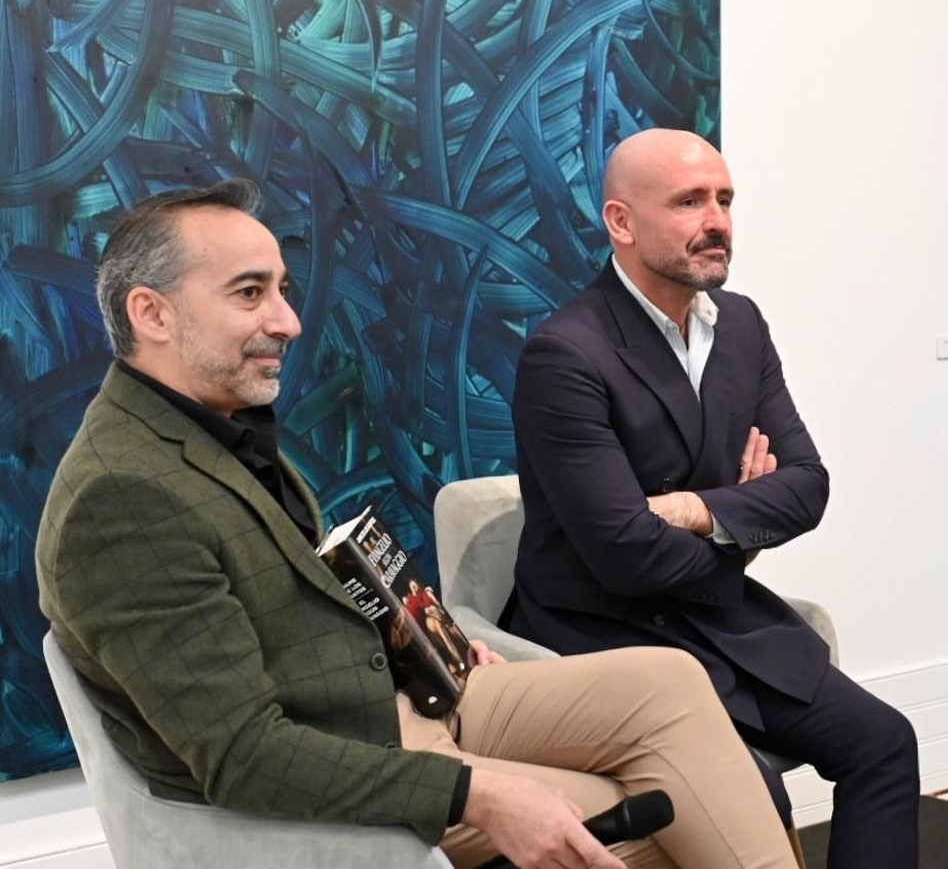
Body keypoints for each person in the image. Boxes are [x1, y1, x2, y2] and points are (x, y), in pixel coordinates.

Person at [35, 180, 797, 869]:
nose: (289, 320)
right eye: (248, 293)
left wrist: (436, 648)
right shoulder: (123, 497)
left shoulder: (209, 426)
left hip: (406, 696)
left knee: (667, 681)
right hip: (355, 754)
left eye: (282, 289)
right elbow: (243, 756)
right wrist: (477, 796)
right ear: (151, 313)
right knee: (662, 815)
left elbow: (301, 600)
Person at [505, 128, 920, 868]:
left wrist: (700, 512)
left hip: (718, 623)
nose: (717, 219)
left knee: (885, 744)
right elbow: (625, 557)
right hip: (606, 635)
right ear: (621, 223)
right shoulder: (565, 354)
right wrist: (744, 527)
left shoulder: (741, 326)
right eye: (690, 200)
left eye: (724, 199)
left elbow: (807, 484)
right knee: (756, 789)